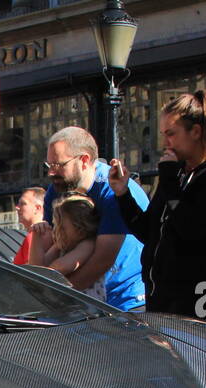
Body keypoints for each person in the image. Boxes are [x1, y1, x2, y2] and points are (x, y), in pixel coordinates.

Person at [108, 90, 206, 319]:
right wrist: (123, 193)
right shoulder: (176, 177)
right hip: (161, 299)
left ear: (195, 132)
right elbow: (147, 230)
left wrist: (169, 181)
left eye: (171, 134)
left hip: (197, 303)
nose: (165, 143)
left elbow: (191, 228)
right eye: (163, 134)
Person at [41, 126, 147, 311]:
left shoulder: (111, 189)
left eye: (58, 165)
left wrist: (57, 299)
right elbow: (49, 246)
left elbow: (102, 259)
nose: (51, 172)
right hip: (87, 301)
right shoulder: (56, 191)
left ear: (84, 160)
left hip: (127, 299)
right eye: (49, 165)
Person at [28, 192, 101, 292]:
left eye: (61, 227)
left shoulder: (88, 244)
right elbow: (36, 270)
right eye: (55, 225)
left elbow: (59, 268)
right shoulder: (62, 246)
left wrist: (57, 247)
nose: (55, 230)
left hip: (86, 306)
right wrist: (36, 236)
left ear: (80, 228)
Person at [11, 186, 44, 265]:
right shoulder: (39, 234)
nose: (17, 207)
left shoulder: (34, 237)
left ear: (37, 208)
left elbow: (30, 272)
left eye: (23, 203)